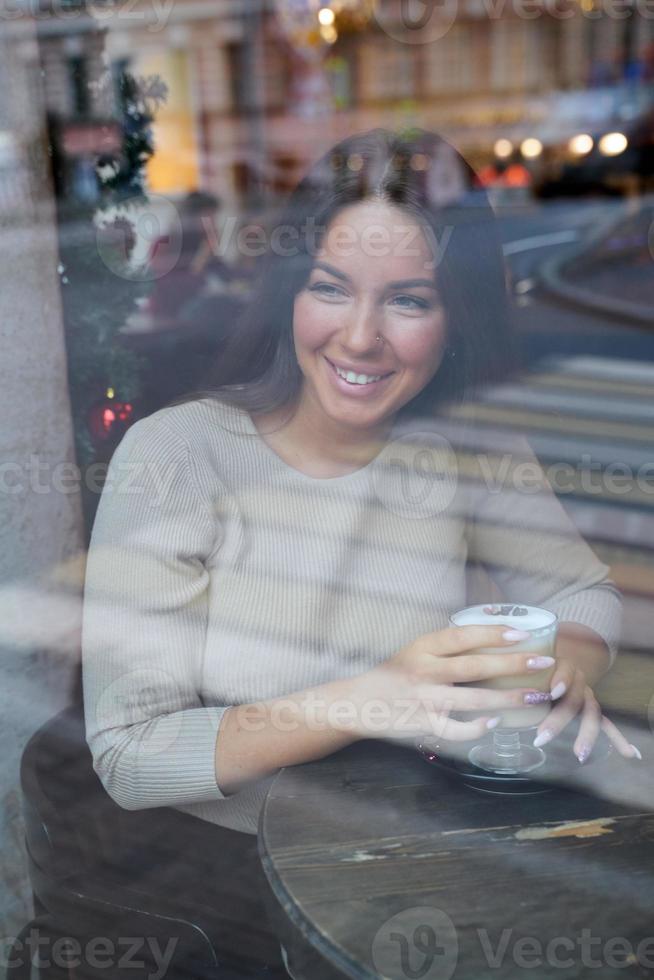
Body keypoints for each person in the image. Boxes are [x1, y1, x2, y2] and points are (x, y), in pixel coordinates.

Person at [81, 128, 634, 978]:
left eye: (410, 301)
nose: (361, 338)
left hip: (436, 855)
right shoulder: (176, 456)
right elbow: (130, 753)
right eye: (330, 289)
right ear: (287, 295)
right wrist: (371, 700)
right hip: (232, 897)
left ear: (457, 320)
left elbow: (584, 593)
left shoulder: (466, 441)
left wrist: (561, 667)